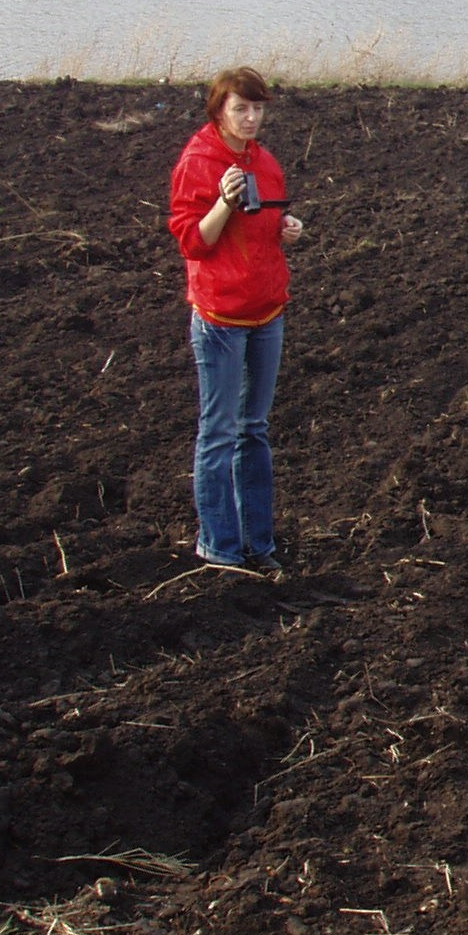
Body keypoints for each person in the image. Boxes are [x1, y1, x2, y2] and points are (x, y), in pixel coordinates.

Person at [166, 68, 304, 579]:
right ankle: (220, 547)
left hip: (266, 309)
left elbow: (263, 224)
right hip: (221, 315)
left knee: (255, 430)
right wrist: (223, 202)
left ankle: (258, 543)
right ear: (219, 111)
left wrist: (284, 229)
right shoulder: (200, 162)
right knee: (220, 432)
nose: (252, 118)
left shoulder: (265, 163)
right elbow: (194, 242)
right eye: (241, 109)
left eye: (259, 109)